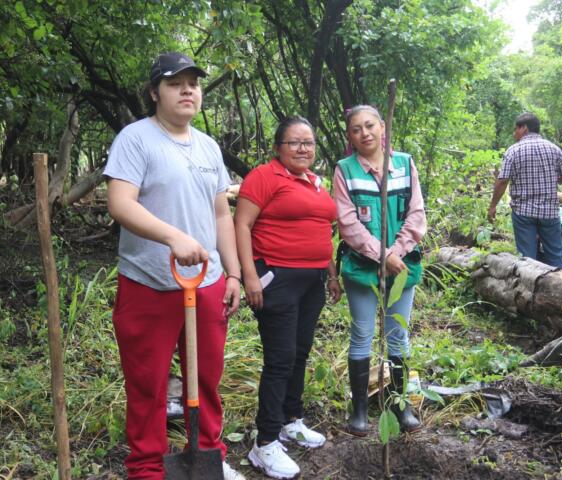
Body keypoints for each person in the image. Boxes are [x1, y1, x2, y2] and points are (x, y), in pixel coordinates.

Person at [104, 52, 245, 480]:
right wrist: (173, 236)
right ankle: (147, 468)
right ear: (154, 93)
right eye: (174, 83)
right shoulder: (135, 138)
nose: (188, 90)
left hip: (206, 284)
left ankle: (207, 459)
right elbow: (120, 203)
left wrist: (234, 272)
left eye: (194, 83)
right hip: (148, 283)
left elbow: (222, 215)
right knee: (147, 386)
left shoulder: (208, 147)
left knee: (205, 381)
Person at [235, 116, 341, 480]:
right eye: (294, 142)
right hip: (276, 277)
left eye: (308, 142)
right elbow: (242, 224)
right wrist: (249, 276)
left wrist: (330, 272)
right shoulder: (264, 177)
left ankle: (289, 420)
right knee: (280, 358)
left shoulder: (315, 183)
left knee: (300, 351)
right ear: (278, 147)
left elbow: (320, 230)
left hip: (312, 280)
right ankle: (263, 443)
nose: (302, 148)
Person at [334, 105, 427, 436]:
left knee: (397, 335)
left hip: (402, 266)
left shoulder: (404, 163)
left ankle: (400, 406)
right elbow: (347, 222)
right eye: (356, 129)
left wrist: (397, 252)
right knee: (362, 334)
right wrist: (381, 254)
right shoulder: (344, 169)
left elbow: (416, 212)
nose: (365, 133)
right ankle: (359, 410)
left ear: (383, 127)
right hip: (361, 268)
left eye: (370, 125)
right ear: (350, 136)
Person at [488, 112, 562, 269]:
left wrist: (493, 206)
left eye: (516, 129)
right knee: (555, 256)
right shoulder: (555, 149)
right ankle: (558, 287)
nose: (514, 133)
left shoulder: (513, 151)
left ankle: (530, 290)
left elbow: (502, 181)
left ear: (524, 128)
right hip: (549, 212)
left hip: (523, 214)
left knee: (528, 258)